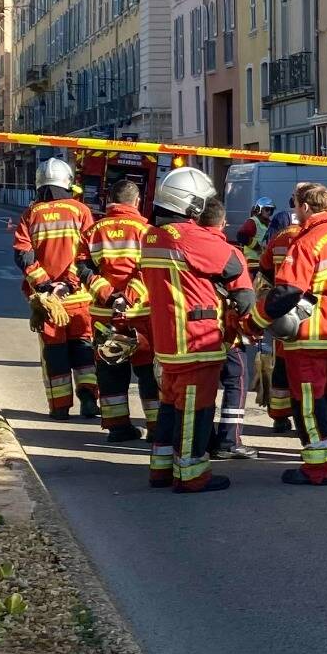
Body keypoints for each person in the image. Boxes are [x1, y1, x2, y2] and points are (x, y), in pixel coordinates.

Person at [138, 167, 255, 494]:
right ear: (190, 204)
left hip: (168, 341)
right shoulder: (189, 236)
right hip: (196, 339)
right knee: (196, 409)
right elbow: (232, 264)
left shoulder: (151, 236)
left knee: (170, 407)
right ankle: (191, 475)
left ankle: (161, 470)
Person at [252, 184, 327, 486]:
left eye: (295, 205)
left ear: (303, 207)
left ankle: (317, 468)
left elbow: (287, 291)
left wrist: (255, 320)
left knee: (309, 402)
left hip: (310, 335)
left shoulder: (307, 241)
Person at [13, 158, 97, 419]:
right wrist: (69, 283)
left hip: (48, 301)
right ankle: (88, 398)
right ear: (67, 182)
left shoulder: (31, 214)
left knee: (54, 352)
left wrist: (45, 285)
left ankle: (60, 408)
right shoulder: (81, 211)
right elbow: (88, 254)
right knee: (83, 348)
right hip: (79, 297)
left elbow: (23, 253)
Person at [79, 177, 158, 441]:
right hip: (140, 315)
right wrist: (128, 297)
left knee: (110, 371)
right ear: (137, 201)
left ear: (110, 200)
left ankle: (117, 428)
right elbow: (149, 269)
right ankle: (156, 428)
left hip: (105, 316)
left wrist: (108, 295)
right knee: (148, 372)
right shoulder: (147, 231)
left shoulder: (93, 231)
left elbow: (83, 268)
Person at [200, 199, 258, 461]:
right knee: (236, 380)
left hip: (191, 334)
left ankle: (203, 439)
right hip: (225, 333)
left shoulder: (184, 247)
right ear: (223, 223)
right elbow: (245, 298)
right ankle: (229, 441)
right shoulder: (229, 253)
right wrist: (251, 327)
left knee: (201, 387)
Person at [256, 185, 312, 435]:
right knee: (306, 369)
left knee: (281, 363)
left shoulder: (280, 237)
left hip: (281, 308)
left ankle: (279, 417)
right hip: (310, 311)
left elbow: (264, 269)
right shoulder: (316, 237)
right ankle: (306, 419)